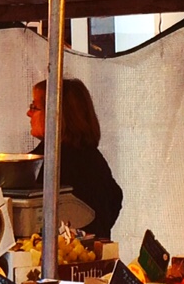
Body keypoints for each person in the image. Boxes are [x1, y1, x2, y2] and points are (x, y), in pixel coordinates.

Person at [28, 78, 123, 239]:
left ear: (56, 115)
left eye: (34, 107)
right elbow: (115, 198)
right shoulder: (94, 160)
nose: (28, 113)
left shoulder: (50, 162)